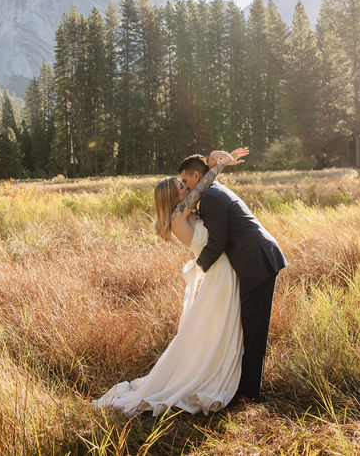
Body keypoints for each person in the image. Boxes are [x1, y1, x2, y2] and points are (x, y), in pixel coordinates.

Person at [92, 148, 249, 416]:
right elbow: (203, 184)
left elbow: (200, 186)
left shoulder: (181, 215)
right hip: (220, 274)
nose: (186, 185)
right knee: (219, 328)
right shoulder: (179, 213)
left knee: (216, 329)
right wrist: (219, 165)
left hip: (220, 271)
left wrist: (217, 161)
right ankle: (211, 377)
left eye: (184, 182)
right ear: (173, 195)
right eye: (180, 185)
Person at [179, 152, 287, 403]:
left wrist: (199, 267)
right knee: (248, 324)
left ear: (197, 176)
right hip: (255, 259)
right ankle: (245, 385)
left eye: (186, 180)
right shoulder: (213, 192)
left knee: (253, 328)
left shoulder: (212, 198)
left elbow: (218, 242)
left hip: (256, 262)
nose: (185, 186)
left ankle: (249, 393)